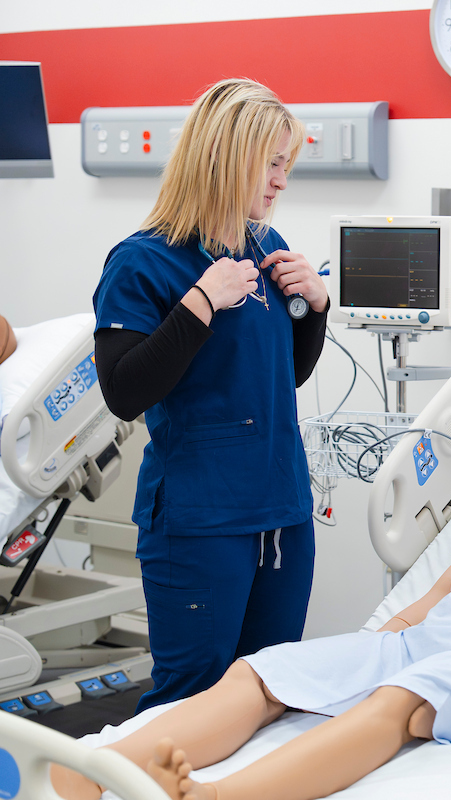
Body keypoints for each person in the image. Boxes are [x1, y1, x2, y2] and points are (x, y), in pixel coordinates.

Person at [51, 377, 451, 800]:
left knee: (402, 700)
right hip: (433, 638)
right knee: (263, 672)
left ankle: (221, 797)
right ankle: (107, 770)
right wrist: (390, 633)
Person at [91, 79, 329, 712]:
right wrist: (199, 303)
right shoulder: (143, 263)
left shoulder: (267, 247)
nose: (281, 180)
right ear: (225, 157)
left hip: (281, 510)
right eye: (271, 162)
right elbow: (124, 391)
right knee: (193, 699)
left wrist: (315, 310)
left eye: (288, 164)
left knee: (269, 694)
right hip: (201, 518)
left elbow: (288, 376)